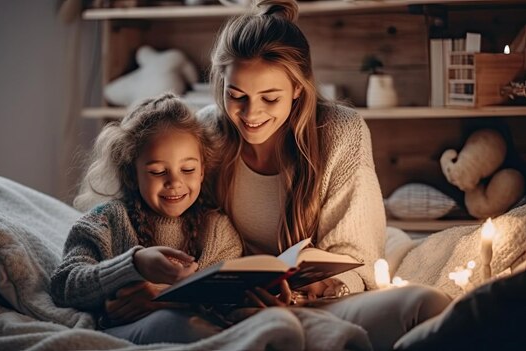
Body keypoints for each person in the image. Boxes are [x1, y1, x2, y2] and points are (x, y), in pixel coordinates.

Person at [200, 0, 452, 349]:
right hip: (240, 305)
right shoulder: (206, 134)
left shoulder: (340, 131)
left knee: (426, 305)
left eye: (270, 98)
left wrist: (315, 288)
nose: (250, 113)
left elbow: (355, 256)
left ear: (298, 90)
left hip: (322, 301)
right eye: (236, 96)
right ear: (221, 85)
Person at [50, 93, 243, 343]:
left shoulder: (218, 229)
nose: (175, 182)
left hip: (200, 329)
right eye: (157, 171)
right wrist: (134, 264)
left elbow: (228, 297)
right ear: (131, 172)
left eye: (188, 169)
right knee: (174, 324)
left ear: (203, 170)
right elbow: (64, 285)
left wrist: (163, 297)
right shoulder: (105, 221)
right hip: (127, 332)